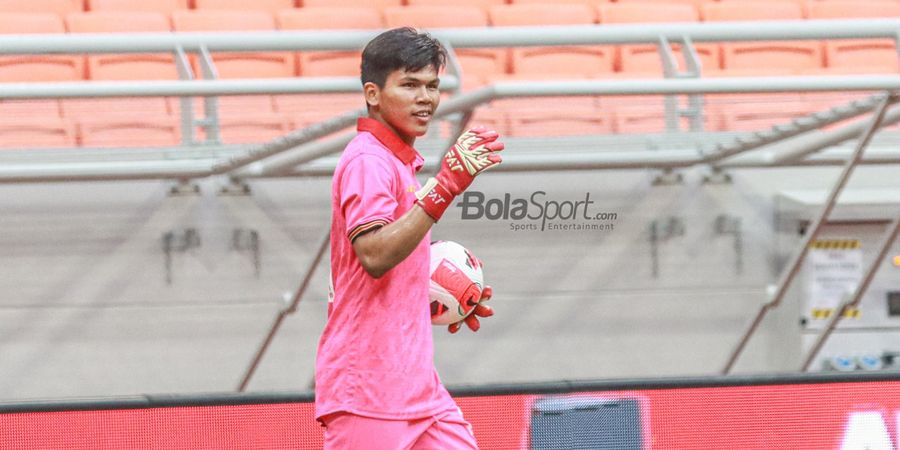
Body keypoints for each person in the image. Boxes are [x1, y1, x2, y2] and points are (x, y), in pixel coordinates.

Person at [315, 27, 504, 449]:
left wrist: (447, 295)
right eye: (410, 85)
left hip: (418, 390)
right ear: (373, 94)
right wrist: (446, 187)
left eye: (433, 86)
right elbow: (374, 254)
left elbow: (386, 272)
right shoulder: (368, 159)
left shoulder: (398, 164)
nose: (426, 98)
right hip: (367, 391)